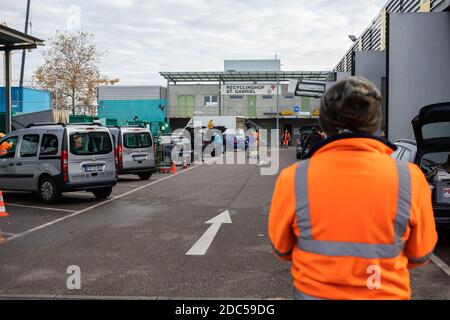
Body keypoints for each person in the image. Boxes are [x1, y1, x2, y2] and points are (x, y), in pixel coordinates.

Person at [269, 76, 438, 300]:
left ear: (324, 123)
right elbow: (420, 254)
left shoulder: (294, 178)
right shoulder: (409, 178)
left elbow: (282, 249)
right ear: (376, 122)